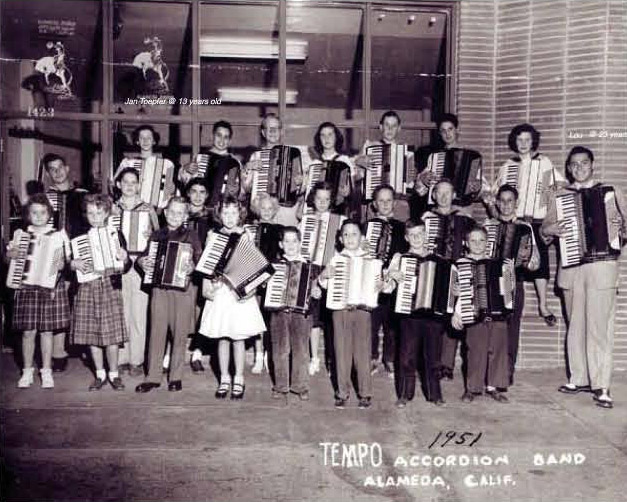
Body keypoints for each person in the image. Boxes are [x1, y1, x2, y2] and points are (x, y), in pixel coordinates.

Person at [541, 146, 626, 409]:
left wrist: (620, 229)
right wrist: (551, 229)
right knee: (575, 324)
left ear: (592, 165)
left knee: (599, 328)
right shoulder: (559, 195)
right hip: (572, 268)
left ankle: (601, 385)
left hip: (602, 266)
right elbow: (544, 232)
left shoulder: (611, 192)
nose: (579, 168)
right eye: (573, 165)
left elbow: (625, 229)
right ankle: (577, 378)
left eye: (583, 163)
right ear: (568, 168)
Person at [493, 123, 566, 326]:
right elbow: (496, 192)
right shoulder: (508, 166)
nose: (523, 144)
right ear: (514, 142)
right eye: (519, 140)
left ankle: (543, 304)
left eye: (527, 140)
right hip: (515, 220)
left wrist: (547, 203)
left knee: (540, 259)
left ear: (533, 141)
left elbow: (558, 187)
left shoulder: (543, 162)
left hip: (535, 219)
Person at [197, 195, 267, 400]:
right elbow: (207, 264)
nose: (229, 217)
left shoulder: (245, 234)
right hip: (220, 291)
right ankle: (224, 378)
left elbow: (252, 265)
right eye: (225, 212)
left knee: (238, 338)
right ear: (219, 214)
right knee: (222, 336)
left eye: (233, 212)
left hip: (238, 293)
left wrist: (250, 290)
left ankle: (239, 378)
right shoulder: (213, 235)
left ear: (240, 214)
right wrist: (205, 284)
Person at [317, 220, 387, 409]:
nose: (350, 238)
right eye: (346, 235)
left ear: (362, 238)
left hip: (363, 311)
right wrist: (323, 276)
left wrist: (382, 284)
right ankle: (342, 392)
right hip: (340, 310)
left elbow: (384, 288)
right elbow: (323, 285)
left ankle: (365, 393)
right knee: (341, 353)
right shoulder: (335, 260)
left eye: (354, 234)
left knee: (363, 354)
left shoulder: (373, 262)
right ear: (340, 239)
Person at [135, 197, 202, 393]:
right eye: (172, 212)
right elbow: (144, 257)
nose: (175, 216)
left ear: (185, 216)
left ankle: (176, 376)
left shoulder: (192, 235)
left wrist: (192, 266)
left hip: (182, 290)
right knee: (156, 331)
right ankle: (153, 377)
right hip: (159, 289)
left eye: (180, 213)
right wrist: (142, 262)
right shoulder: (157, 235)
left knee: (180, 333)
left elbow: (200, 261)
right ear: (165, 213)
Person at [7, 194, 71, 389]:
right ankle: (27, 371)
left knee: (47, 332)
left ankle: (46, 370)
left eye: (43, 212)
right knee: (28, 332)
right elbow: (8, 257)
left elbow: (66, 261)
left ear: (49, 214)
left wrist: (62, 264)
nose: (39, 216)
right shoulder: (20, 235)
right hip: (27, 286)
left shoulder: (59, 235)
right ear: (28, 214)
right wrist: (11, 254)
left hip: (50, 287)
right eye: (34, 212)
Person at [71, 194, 131, 391]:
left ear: (106, 213)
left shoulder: (116, 233)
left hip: (109, 285)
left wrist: (125, 258)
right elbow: (66, 262)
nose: (95, 217)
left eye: (99, 213)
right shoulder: (79, 236)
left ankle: (114, 374)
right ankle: (100, 374)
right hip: (88, 286)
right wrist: (74, 263)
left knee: (112, 335)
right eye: (90, 213)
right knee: (92, 334)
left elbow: (126, 265)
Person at [386, 220, 445, 407]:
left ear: (426, 234)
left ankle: (435, 394)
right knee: (406, 356)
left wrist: (454, 291)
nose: (417, 238)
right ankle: (404, 394)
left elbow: (448, 287)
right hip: (409, 315)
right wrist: (390, 275)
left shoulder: (439, 260)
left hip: (433, 316)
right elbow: (386, 288)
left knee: (434, 357)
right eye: (412, 235)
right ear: (406, 237)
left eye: (420, 233)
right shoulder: (400, 258)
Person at [421, 179, 476, 380]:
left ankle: (447, 364)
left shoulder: (464, 217)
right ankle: (432, 362)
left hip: (456, 270)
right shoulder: (427, 217)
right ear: (434, 195)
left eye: (448, 193)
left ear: (454, 195)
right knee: (433, 317)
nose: (444, 197)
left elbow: (473, 243)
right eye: (439, 193)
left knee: (453, 313)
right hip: (434, 271)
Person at [451, 226, 512, 403]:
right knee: (475, 350)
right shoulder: (460, 264)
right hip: (473, 313)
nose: (477, 244)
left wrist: (509, 274)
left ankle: (493, 387)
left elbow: (508, 290)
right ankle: (472, 388)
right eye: (473, 241)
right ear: (466, 243)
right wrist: (456, 314)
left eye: (481, 240)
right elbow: (455, 293)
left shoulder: (498, 263)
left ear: (487, 243)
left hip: (498, 313)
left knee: (498, 350)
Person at [486, 184, 539, 384]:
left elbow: (535, 264)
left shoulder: (525, 228)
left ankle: (507, 371)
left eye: (511, 201)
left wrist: (527, 259)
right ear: (497, 203)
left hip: (514, 281)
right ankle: (491, 370)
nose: (506, 204)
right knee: (491, 325)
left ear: (516, 203)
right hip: (491, 281)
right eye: (503, 200)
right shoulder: (488, 226)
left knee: (511, 327)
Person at [42, 152, 89, 372]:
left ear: (68, 169)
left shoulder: (83, 195)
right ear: (48, 173)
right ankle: (58, 352)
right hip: (54, 254)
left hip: (79, 252)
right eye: (52, 169)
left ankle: (83, 346)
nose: (58, 172)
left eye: (60, 167)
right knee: (57, 303)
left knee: (80, 300)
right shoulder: (44, 198)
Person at [113, 167, 159, 377]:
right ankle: (122, 357)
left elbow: (159, 237)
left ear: (139, 185)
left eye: (134, 182)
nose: (130, 186)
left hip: (141, 262)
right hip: (118, 263)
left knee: (139, 312)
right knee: (121, 310)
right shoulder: (112, 208)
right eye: (126, 182)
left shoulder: (148, 209)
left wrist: (152, 234)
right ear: (119, 185)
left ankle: (137, 360)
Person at [300, 182, 346, 376]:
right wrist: (311, 279)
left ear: (332, 200)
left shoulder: (340, 220)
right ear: (313, 199)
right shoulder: (305, 220)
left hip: (332, 270)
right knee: (314, 319)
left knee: (333, 318)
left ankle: (332, 360)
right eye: (319, 198)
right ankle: (314, 358)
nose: (322, 202)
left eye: (326, 199)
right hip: (311, 269)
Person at [266, 226, 314, 402]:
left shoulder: (309, 265)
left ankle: (300, 385)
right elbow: (265, 286)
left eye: (294, 241)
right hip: (279, 312)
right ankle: (281, 385)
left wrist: (316, 291)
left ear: (300, 243)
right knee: (280, 350)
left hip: (301, 314)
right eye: (287, 241)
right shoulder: (274, 265)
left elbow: (315, 287)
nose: (291, 244)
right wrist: (269, 285)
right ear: (281, 244)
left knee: (301, 350)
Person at [413, 113, 489, 219]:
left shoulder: (471, 157)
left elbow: (483, 189)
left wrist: (476, 188)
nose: (447, 134)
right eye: (443, 131)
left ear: (457, 130)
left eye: (450, 129)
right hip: (440, 210)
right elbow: (420, 191)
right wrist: (423, 179)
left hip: (462, 209)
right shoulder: (435, 157)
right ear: (439, 133)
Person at [366, 184, 407, 377]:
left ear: (394, 203)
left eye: (388, 200)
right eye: (380, 200)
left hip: (393, 282)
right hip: (372, 283)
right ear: (374, 204)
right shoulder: (365, 226)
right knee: (372, 322)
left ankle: (389, 358)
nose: (384, 204)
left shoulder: (402, 227)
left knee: (392, 324)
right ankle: (372, 357)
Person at [245, 114, 306, 226]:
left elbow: (301, 190)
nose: (273, 131)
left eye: (276, 128)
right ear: (263, 133)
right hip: (264, 211)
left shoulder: (293, 154)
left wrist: (300, 183)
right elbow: (246, 188)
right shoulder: (256, 156)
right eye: (269, 128)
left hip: (287, 211)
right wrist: (247, 169)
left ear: (281, 131)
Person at [248, 193, 284, 374]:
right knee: (257, 320)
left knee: (272, 321)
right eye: (263, 208)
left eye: (271, 208)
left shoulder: (280, 229)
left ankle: (270, 355)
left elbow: (281, 256)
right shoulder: (251, 229)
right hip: (255, 279)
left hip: (273, 279)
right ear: (257, 210)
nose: (267, 212)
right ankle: (258, 355)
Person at [356, 110, 415, 220]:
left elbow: (411, 184)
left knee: (400, 233)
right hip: (375, 205)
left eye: (394, 126)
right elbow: (356, 176)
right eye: (387, 125)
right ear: (381, 127)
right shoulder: (370, 147)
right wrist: (358, 163)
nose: (390, 129)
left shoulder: (407, 152)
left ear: (399, 128)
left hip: (400, 203)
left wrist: (412, 176)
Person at [185, 178, 218, 373]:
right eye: (194, 191)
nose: (197, 196)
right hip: (182, 269)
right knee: (181, 313)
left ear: (207, 195)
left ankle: (197, 353)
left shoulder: (213, 217)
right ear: (188, 193)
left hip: (204, 270)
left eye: (202, 192)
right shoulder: (179, 213)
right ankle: (169, 354)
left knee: (202, 312)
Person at [178, 120, 244, 209]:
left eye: (226, 137)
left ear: (230, 140)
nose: (222, 140)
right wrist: (185, 169)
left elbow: (241, 192)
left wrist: (236, 190)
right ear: (212, 136)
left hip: (222, 209)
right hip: (200, 207)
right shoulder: (201, 157)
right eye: (219, 135)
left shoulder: (235, 162)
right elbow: (187, 183)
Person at [113, 125, 177, 210]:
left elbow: (171, 189)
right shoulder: (128, 163)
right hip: (133, 207)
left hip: (157, 209)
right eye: (142, 137)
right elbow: (115, 183)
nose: (145, 140)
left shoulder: (166, 164)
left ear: (154, 141)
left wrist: (169, 189)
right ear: (137, 141)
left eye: (148, 138)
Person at [310, 122, 362, 220]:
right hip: (318, 211)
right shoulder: (315, 163)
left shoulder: (344, 160)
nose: (327, 138)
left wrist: (348, 192)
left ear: (336, 137)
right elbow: (311, 191)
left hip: (339, 211)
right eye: (323, 135)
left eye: (330, 134)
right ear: (319, 139)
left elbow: (353, 190)